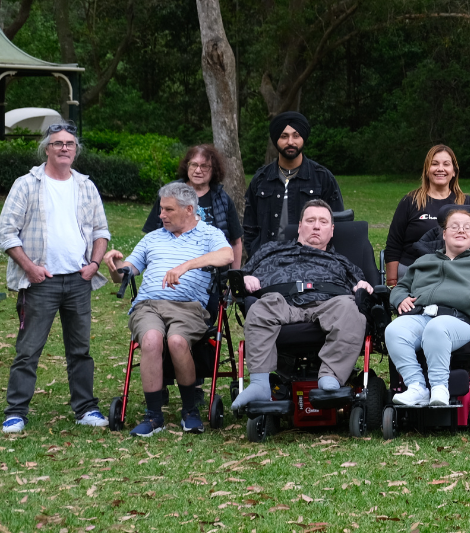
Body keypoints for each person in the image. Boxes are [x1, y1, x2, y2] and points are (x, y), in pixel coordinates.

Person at [0, 123, 111, 434]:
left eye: (69, 144)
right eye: (57, 143)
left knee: (80, 350)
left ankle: (85, 408)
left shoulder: (86, 185)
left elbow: (101, 232)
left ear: (75, 150)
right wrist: (29, 268)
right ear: (47, 148)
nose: (64, 148)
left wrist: (95, 262)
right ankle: (16, 412)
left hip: (78, 280)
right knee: (28, 350)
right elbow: (5, 234)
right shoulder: (26, 185)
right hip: (39, 282)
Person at [102, 182, 234, 436]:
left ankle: (190, 410)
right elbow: (124, 275)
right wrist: (114, 265)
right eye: (161, 209)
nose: (160, 215)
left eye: (167, 210)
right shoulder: (152, 238)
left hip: (189, 307)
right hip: (148, 306)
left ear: (188, 209)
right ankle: (153, 416)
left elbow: (226, 255)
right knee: (151, 339)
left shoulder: (209, 234)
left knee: (176, 340)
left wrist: (186, 266)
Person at [230, 201, 374, 411]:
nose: (316, 226)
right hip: (280, 302)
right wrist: (244, 279)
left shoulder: (342, 262)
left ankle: (331, 376)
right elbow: (237, 278)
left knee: (350, 310)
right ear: (299, 226)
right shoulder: (270, 251)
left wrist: (363, 285)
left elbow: (363, 287)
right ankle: (260, 384)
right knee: (260, 308)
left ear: (331, 230)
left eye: (323, 222)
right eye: (310, 220)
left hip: (328, 303)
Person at [387, 207, 470, 407]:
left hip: (464, 320)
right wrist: (400, 298)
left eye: (467, 227)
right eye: (454, 226)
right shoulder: (424, 261)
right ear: (444, 233)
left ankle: (439, 387)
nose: (461, 230)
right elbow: (401, 287)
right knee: (394, 330)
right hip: (424, 315)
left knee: (438, 328)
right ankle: (416, 387)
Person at [242, 111, 344, 259]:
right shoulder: (261, 179)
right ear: (276, 138)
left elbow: (338, 224)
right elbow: (249, 227)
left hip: (310, 259)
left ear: (303, 138)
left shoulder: (322, 178)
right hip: (267, 260)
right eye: (284, 136)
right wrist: (256, 253)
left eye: (296, 136)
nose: (290, 142)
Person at [384, 145, 470, 287]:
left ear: (454, 171)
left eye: (446, 164)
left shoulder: (467, 204)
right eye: (434, 164)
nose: (440, 168)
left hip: (457, 273)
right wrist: (392, 283)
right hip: (413, 272)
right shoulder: (410, 201)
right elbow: (393, 245)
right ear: (427, 170)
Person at [143, 144, 243, 266]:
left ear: (214, 169)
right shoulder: (169, 193)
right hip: (170, 265)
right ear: (187, 166)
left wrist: (234, 277)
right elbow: (151, 235)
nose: (198, 170)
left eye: (204, 166)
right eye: (194, 164)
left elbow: (236, 242)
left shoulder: (222, 199)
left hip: (211, 272)